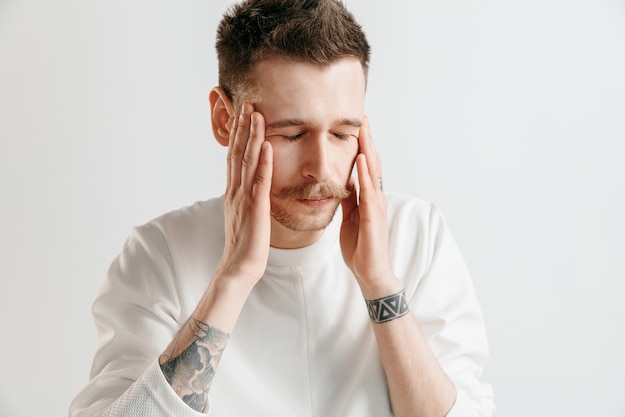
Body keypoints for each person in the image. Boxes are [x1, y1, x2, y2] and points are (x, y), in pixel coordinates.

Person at [69, 0, 495, 416]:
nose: (321, 169)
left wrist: (380, 283)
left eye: (343, 134)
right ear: (224, 119)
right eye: (292, 134)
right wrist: (233, 278)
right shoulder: (159, 254)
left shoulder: (418, 235)